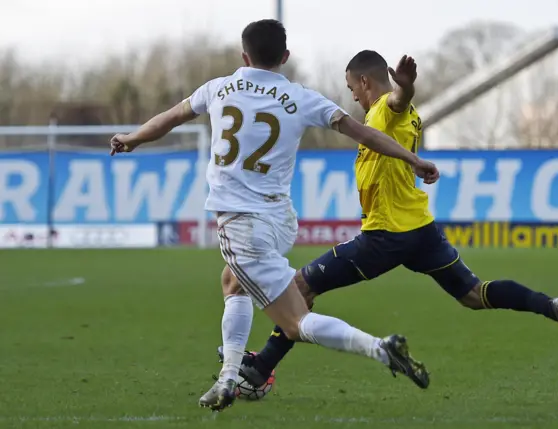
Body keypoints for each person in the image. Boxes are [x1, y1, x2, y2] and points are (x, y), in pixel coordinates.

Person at [218, 50, 558, 389]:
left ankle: (260, 366)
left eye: (352, 86)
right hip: (421, 231)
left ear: (365, 81)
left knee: (299, 287)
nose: (351, 94)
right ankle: (550, 306)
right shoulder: (403, 118)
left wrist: (405, 87)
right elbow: (401, 109)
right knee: (472, 293)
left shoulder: (385, 109)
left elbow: (398, 100)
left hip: (385, 236)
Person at [109, 23, 437, 412]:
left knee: (295, 321)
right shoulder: (301, 97)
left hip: (241, 222)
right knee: (233, 283)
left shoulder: (218, 88)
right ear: (284, 57)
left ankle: (381, 350)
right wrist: (413, 158)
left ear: (244, 56)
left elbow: (169, 118)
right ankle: (228, 379)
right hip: (280, 220)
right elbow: (365, 135)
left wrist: (132, 138)